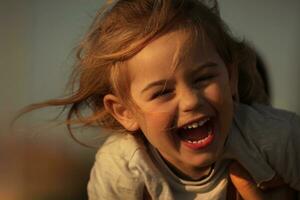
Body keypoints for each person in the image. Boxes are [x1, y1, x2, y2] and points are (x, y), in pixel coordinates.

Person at [19, 0, 299, 199]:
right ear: (124, 111)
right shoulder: (124, 169)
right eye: (162, 92)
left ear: (230, 77)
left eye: (203, 79)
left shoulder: (277, 139)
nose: (190, 101)